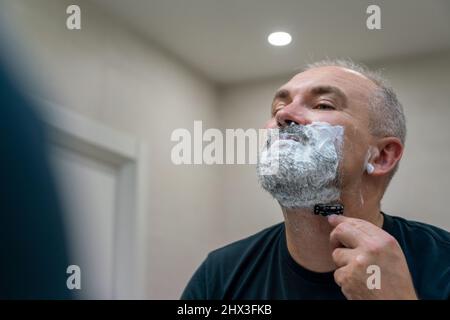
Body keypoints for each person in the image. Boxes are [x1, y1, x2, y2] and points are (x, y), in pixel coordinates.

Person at [181, 59, 450, 300]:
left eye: (323, 105)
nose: (283, 116)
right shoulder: (219, 274)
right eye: (278, 107)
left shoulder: (442, 264)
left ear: (380, 156)